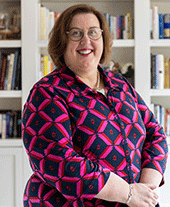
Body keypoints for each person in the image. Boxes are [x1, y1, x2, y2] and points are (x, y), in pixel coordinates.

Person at [22, 4, 168, 207]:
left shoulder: (120, 85)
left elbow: (155, 134)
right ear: (61, 42)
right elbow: (58, 161)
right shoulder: (47, 92)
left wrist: (145, 190)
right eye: (75, 33)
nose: (86, 40)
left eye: (93, 32)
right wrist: (128, 193)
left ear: (103, 39)